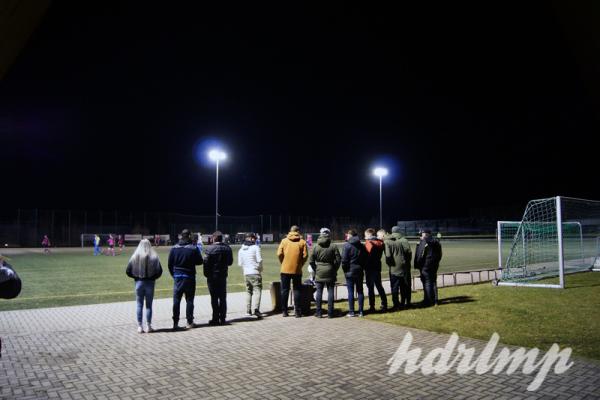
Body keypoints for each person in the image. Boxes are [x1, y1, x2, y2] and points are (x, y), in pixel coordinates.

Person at [168, 229, 203, 330]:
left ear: (181, 236)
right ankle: (189, 322)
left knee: (176, 301)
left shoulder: (174, 248)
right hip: (189, 277)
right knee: (190, 300)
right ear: (189, 236)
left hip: (178, 277)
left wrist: (174, 275)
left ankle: (175, 323)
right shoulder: (193, 248)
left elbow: (170, 264)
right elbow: (200, 261)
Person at [126, 239, 163, 333]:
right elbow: (159, 271)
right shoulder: (154, 256)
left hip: (139, 283)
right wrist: (153, 277)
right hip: (150, 283)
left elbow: (128, 271)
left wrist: (136, 277)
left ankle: (139, 326)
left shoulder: (135, 256)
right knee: (149, 305)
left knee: (139, 304)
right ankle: (149, 326)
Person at [308, 227, 341, 318]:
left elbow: (311, 261)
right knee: (330, 292)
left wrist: (316, 269)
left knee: (319, 292)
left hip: (319, 272)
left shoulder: (315, 246)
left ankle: (319, 313)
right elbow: (338, 260)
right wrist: (334, 269)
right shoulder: (333, 246)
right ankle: (330, 313)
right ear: (329, 234)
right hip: (330, 271)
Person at [277, 225, 308, 317]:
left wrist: (283, 262)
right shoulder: (302, 242)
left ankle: (284, 311)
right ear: (298, 231)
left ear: (290, 231)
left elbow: (279, 253)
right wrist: (300, 264)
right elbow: (305, 256)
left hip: (285, 269)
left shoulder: (284, 241)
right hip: (297, 270)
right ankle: (297, 312)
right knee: (297, 290)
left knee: (284, 290)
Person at [204, 231, 234, 325]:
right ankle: (223, 318)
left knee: (214, 298)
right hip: (222, 276)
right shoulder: (227, 248)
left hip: (212, 277)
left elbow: (206, 263)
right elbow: (230, 262)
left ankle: (215, 318)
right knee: (222, 297)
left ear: (214, 238)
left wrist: (207, 274)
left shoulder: (209, 248)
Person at [384, 226, 413, 310]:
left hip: (394, 267)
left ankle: (397, 304)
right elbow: (409, 253)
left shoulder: (389, 240)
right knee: (406, 285)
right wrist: (406, 262)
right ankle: (406, 302)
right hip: (404, 266)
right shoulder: (403, 240)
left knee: (395, 286)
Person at [341, 229, 367, 317]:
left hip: (350, 271)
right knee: (360, 291)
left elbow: (344, 260)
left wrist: (345, 270)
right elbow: (365, 258)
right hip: (359, 270)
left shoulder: (346, 246)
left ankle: (351, 311)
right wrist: (361, 267)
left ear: (351, 235)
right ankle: (361, 311)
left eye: (348, 235)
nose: (347, 237)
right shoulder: (362, 245)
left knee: (351, 292)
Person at [414, 229, 443, 307]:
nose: (420, 236)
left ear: (426, 234)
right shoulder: (436, 242)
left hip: (425, 266)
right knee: (433, 282)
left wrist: (418, 264)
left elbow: (419, 255)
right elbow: (440, 255)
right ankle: (435, 300)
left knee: (427, 283)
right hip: (434, 265)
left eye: (422, 234)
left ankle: (428, 300)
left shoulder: (425, 241)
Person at [237, 233, 263, 318]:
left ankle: (248, 311)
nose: (255, 240)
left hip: (246, 273)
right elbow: (259, 260)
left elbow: (240, 263)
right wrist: (260, 269)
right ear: (251, 238)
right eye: (254, 238)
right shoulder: (256, 247)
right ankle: (256, 310)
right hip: (255, 272)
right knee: (257, 291)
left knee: (248, 292)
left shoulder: (241, 249)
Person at [364, 228, 388, 313]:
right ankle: (384, 304)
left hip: (369, 268)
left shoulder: (369, 243)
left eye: (366, 235)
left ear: (369, 235)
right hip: (377, 267)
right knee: (379, 286)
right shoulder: (380, 243)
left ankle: (372, 307)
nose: (365, 237)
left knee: (370, 288)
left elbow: (366, 257)